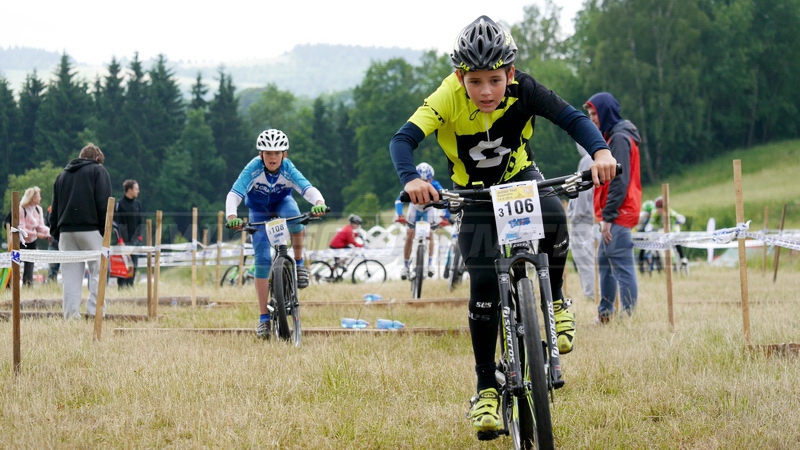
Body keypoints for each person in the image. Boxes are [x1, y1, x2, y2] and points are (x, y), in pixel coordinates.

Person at [389, 16, 618, 437]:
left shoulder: (525, 88)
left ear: (510, 73)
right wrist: (411, 179)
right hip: (473, 193)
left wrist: (601, 151)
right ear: (460, 76)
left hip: (519, 178)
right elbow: (402, 140)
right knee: (482, 283)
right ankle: (486, 389)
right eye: (475, 81)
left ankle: (556, 300)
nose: (486, 91)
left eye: (495, 80)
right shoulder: (446, 96)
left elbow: (572, 119)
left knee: (554, 216)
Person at [225, 129, 327, 340]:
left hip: (283, 204)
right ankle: (264, 319)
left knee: (295, 217)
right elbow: (234, 194)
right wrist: (232, 216)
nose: (272, 157)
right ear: (261, 154)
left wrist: (319, 202)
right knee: (262, 260)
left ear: (284, 155)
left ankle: (299, 264)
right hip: (258, 211)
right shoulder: (253, 169)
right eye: (268, 153)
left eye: (277, 153)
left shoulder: (288, 168)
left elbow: (307, 188)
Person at [584, 92, 642, 324]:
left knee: (622, 267)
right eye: (589, 115)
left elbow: (619, 180)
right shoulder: (613, 137)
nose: (592, 119)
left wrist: (608, 217)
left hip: (619, 212)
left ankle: (628, 318)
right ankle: (605, 314)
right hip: (614, 212)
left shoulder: (619, 139)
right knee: (605, 263)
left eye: (595, 114)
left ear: (605, 112)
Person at [50, 143, 112, 319]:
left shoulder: (62, 175)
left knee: (70, 276)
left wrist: (56, 232)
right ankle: (94, 312)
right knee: (98, 272)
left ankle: (71, 315)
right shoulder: (98, 170)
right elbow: (104, 203)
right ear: (97, 158)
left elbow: (54, 209)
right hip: (91, 228)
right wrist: (105, 231)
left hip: (65, 231)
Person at [394, 162, 446, 279]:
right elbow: (398, 201)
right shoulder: (412, 185)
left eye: (427, 181)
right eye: (422, 181)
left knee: (430, 235)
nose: (425, 183)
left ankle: (430, 264)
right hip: (414, 209)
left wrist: (445, 216)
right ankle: (405, 266)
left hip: (429, 209)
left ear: (431, 179)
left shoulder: (436, 184)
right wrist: (400, 215)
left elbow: (445, 198)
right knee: (409, 236)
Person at [566, 144, 596, 301]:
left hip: (582, 219)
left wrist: (576, 215)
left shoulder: (587, 160)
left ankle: (591, 293)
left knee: (584, 259)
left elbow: (583, 191)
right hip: (590, 217)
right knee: (589, 258)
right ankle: (593, 292)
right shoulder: (596, 158)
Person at [639, 196, 688, 269]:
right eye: (658, 208)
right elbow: (650, 225)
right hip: (661, 232)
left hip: (672, 230)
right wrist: (648, 232)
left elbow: (681, 218)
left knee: (676, 242)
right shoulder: (655, 214)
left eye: (661, 208)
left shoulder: (670, 212)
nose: (659, 210)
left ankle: (682, 258)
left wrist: (679, 221)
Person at [17, 186, 51, 286]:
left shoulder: (38, 209)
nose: (40, 198)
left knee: (30, 265)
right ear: (33, 198)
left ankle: (28, 285)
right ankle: (11, 285)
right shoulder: (21, 209)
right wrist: (36, 234)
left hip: (32, 241)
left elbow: (40, 226)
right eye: (38, 196)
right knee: (15, 264)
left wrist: (51, 232)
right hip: (19, 241)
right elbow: (22, 229)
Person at [115, 179, 144, 288]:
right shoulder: (119, 204)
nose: (138, 191)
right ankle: (122, 288)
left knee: (133, 266)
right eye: (136, 189)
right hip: (123, 241)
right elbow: (116, 224)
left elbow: (140, 222)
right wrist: (120, 240)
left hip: (135, 241)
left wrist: (140, 237)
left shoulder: (138, 204)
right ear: (129, 190)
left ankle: (130, 287)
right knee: (123, 266)